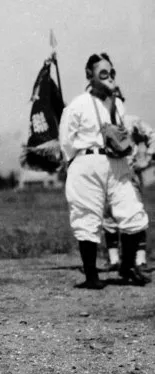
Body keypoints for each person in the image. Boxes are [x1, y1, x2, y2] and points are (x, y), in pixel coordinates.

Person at [59, 53, 150, 289]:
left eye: (112, 73)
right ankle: (91, 275)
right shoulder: (77, 105)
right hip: (87, 162)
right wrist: (75, 167)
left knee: (133, 214)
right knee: (87, 217)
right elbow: (66, 142)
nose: (109, 77)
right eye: (103, 73)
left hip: (117, 163)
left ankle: (127, 267)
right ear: (90, 75)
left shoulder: (118, 104)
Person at [102, 88, 154, 272]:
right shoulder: (99, 124)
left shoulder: (131, 121)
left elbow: (152, 136)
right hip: (108, 175)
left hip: (129, 174)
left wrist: (146, 158)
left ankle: (139, 260)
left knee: (134, 215)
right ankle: (114, 259)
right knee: (108, 217)